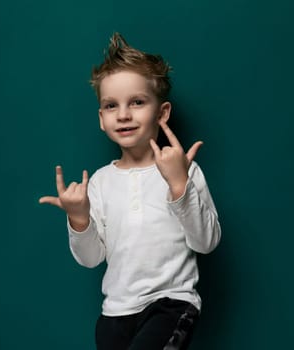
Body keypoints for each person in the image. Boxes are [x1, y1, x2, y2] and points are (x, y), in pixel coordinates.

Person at [39, 32, 221, 350]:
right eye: (111, 105)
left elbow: (207, 242)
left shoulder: (183, 168)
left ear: (162, 113)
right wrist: (79, 219)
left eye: (136, 102)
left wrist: (180, 184)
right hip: (115, 313)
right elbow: (91, 258)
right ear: (101, 118)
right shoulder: (99, 182)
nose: (123, 114)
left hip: (170, 304)